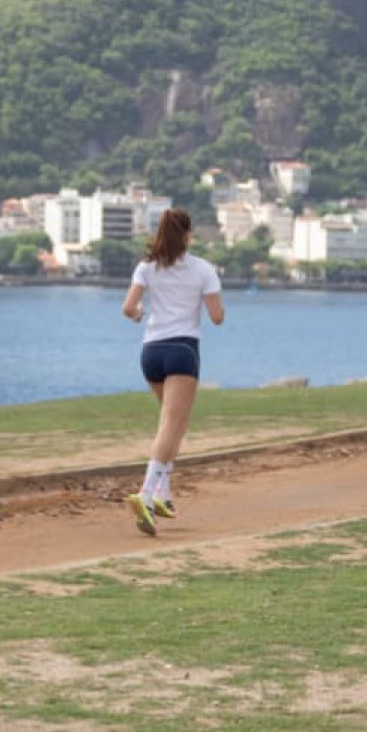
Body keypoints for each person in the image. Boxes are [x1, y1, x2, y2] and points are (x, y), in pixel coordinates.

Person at [119, 208, 225, 536]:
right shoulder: (203, 269)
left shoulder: (146, 267)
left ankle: (163, 494)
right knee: (171, 425)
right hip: (182, 351)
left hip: (150, 352)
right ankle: (146, 495)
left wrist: (139, 315)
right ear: (188, 235)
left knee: (176, 425)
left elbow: (128, 308)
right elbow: (217, 316)